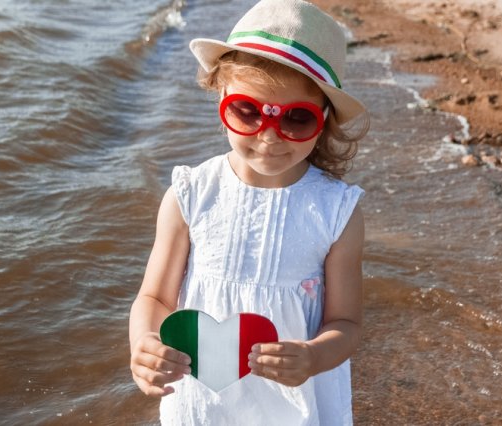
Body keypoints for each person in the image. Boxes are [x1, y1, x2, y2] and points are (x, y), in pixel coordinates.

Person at [128, 0, 370, 424]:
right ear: (220, 98)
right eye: (248, 111)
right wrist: (144, 344)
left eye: (296, 118)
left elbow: (345, 323)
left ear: (325, 119)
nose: (269, 135)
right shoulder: (191, 195)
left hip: (293, 402)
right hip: (202, 400)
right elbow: (154, 297)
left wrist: (314, 356)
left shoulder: (336, 212)